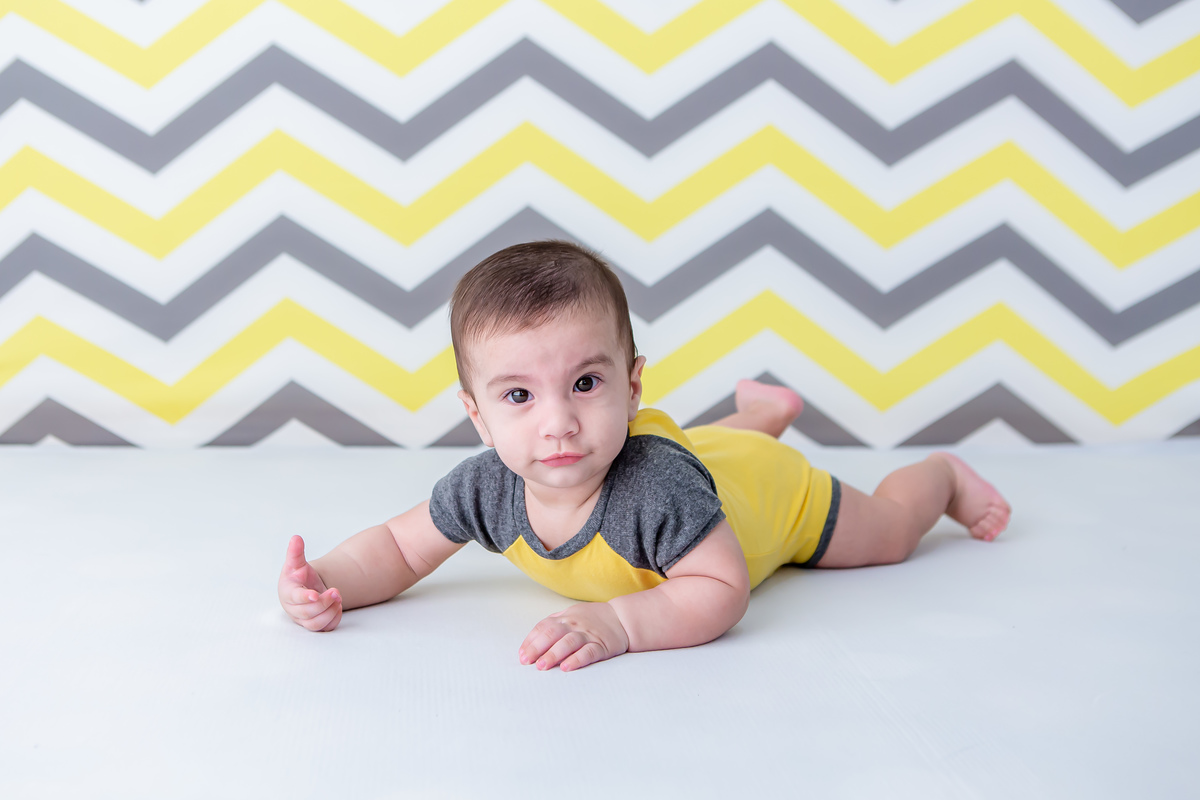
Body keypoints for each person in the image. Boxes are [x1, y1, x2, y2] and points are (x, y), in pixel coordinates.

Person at [277, 240, 1011, 672]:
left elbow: (720, 586)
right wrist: (327, 581)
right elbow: (399, 548)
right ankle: (764, 414)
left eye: (585, 384)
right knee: (719, 448)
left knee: (887, 533)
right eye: (519, 396)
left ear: (632, 387)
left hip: (773, 497)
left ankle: (940, 476)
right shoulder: (486, 488)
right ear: (478, 415)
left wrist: (620, 625)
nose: (559, 424)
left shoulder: (658, 490)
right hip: (715, 455)